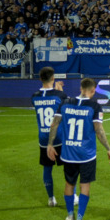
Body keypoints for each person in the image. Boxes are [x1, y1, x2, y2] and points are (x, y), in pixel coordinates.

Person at [46, 78, 110, 220]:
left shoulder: (65, 103)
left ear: (80, 88)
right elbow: (99, 130)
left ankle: (70, 216)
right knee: (85, 186)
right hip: (86, 154)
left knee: (69, 184)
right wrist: (108, 148)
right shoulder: (94, 106)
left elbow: (54, 124)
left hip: (68, 153)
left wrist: (50, 144)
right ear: (94, 89)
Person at [33, 67, 68, 206]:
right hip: (59, 137)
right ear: (53, 78)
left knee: (47, 169)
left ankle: (51, 199)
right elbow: (64, 106)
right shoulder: (60, 96)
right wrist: (60, 90)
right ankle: (73, 196)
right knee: (68, 167)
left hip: (44, 139)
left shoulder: (34, 96)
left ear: (40, 79)